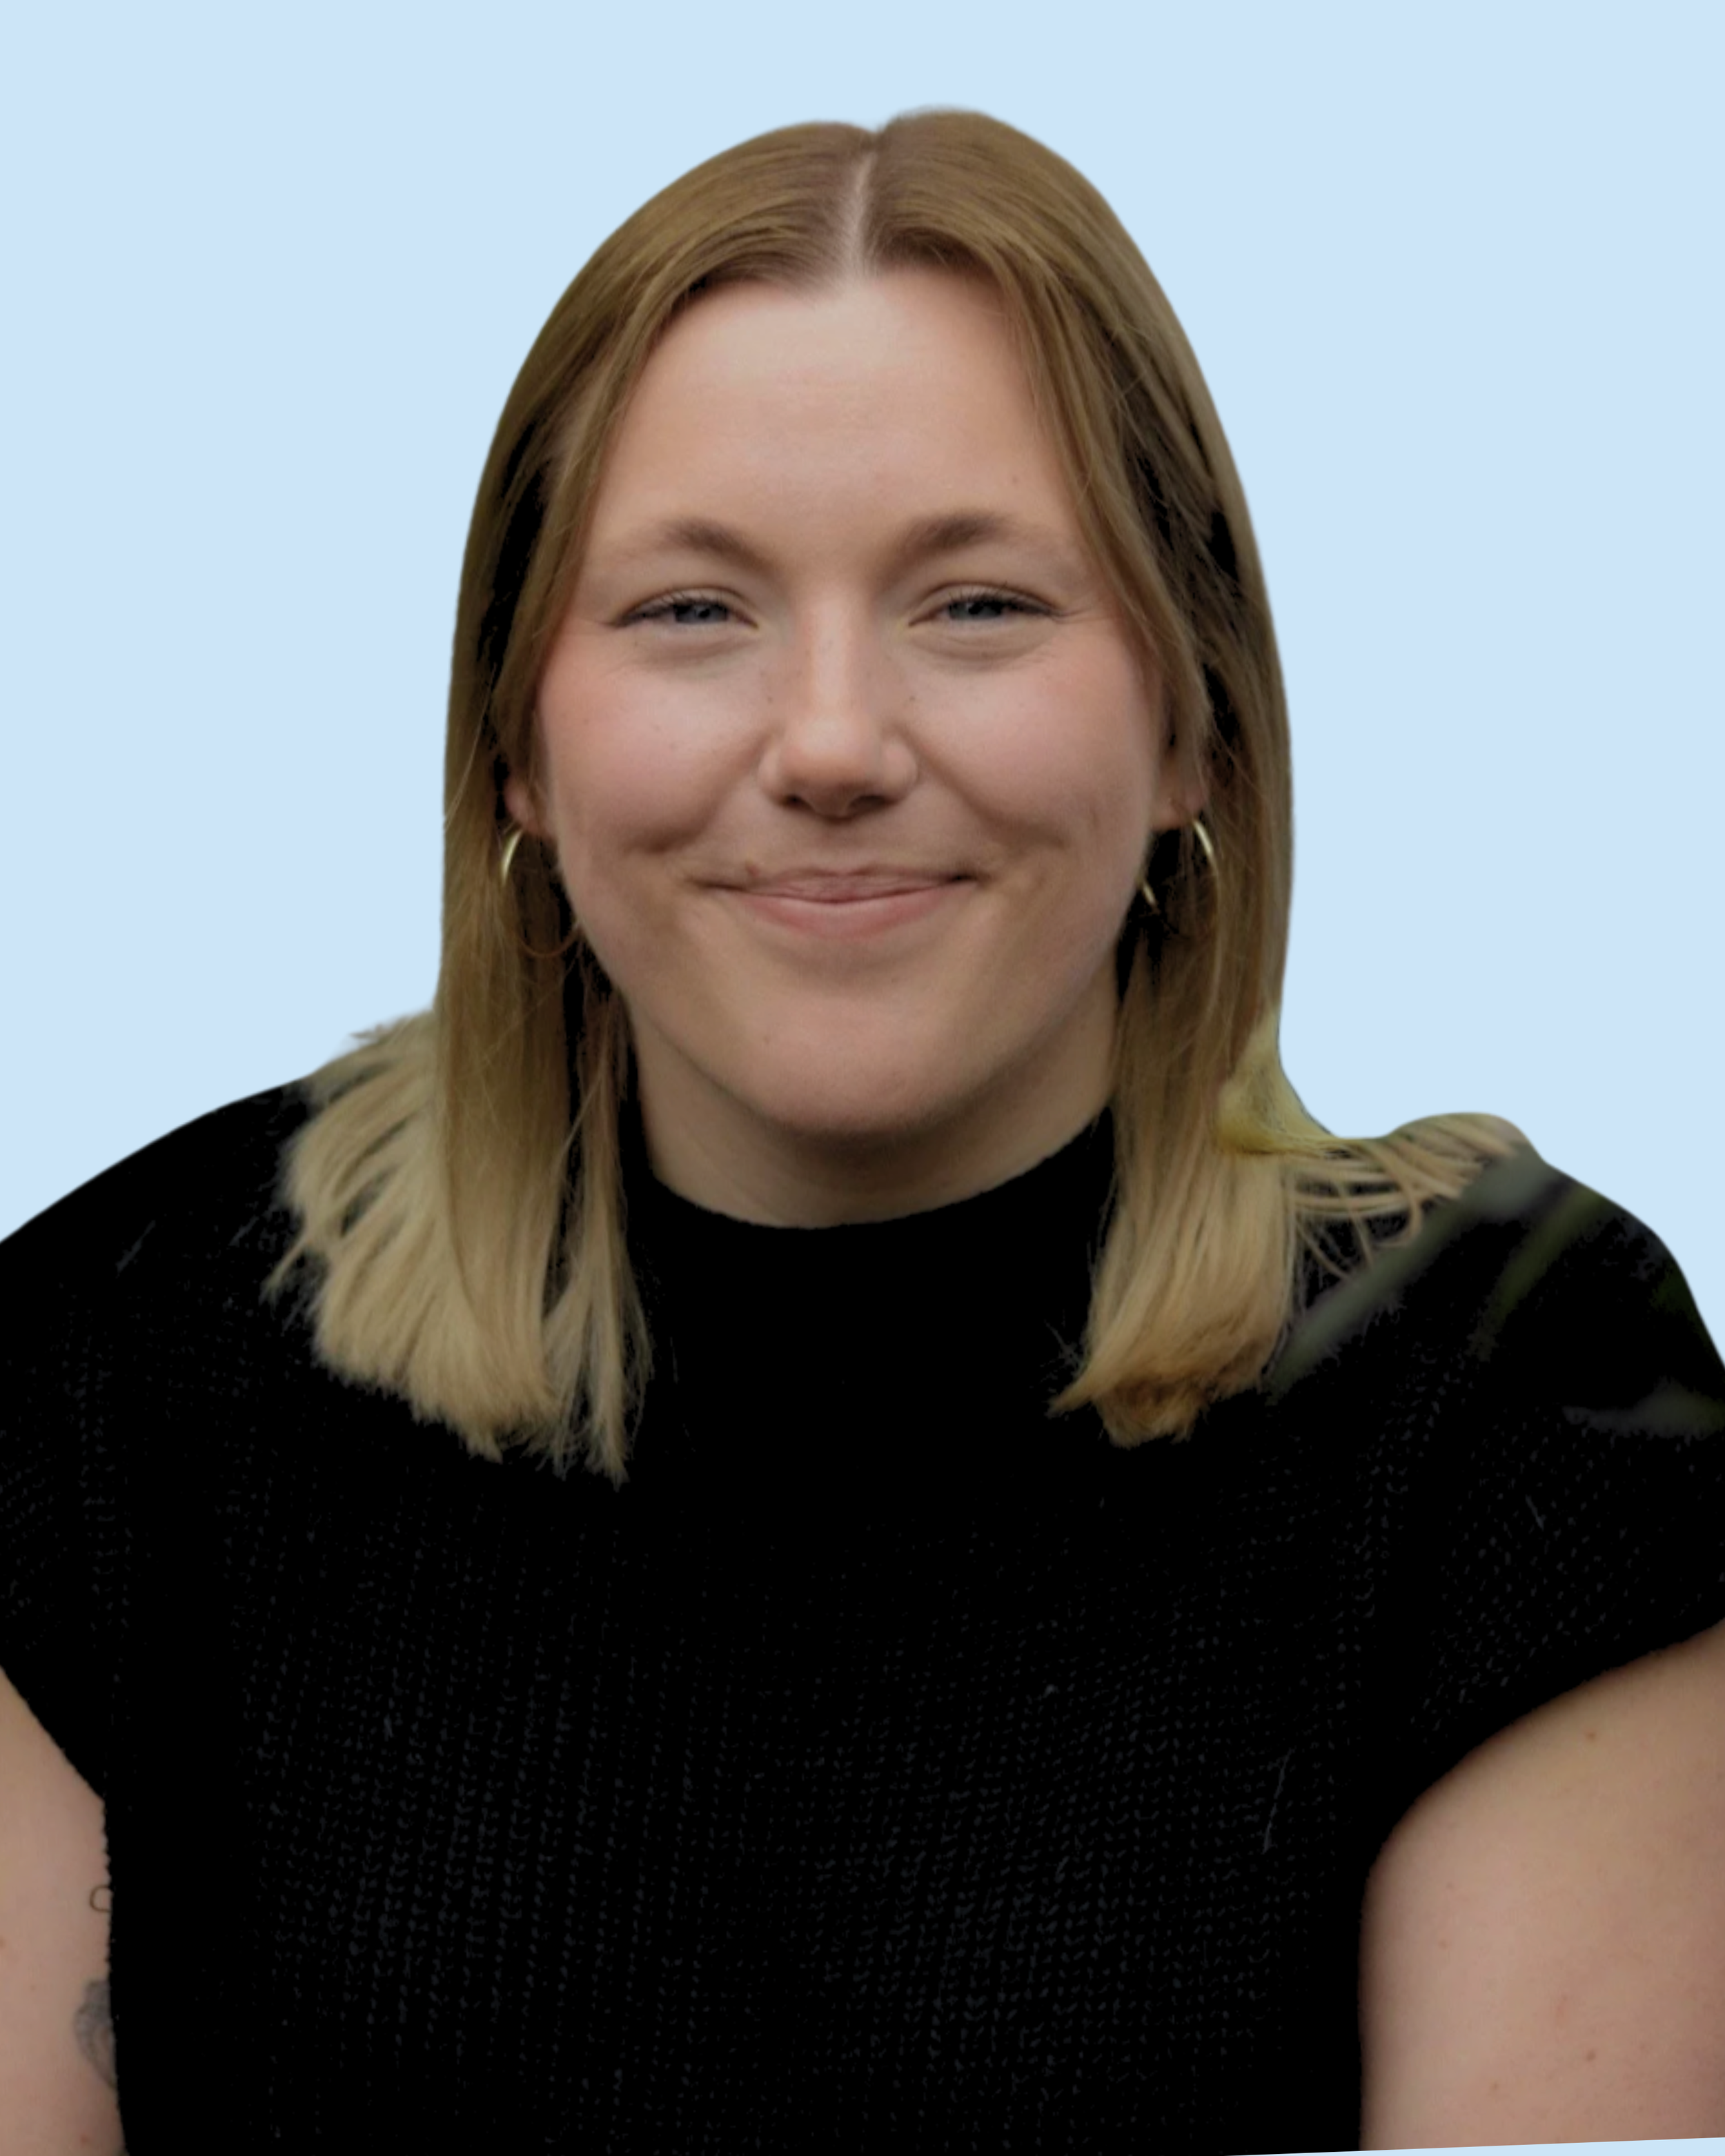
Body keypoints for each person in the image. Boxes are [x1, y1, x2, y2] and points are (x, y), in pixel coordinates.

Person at [2, 108, 1722, 2154]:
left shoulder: (1519, 1388)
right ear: (513, 743)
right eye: (689, 611)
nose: (829, 743)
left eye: (977, 602)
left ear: (1188, 717)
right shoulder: (117, 1358)